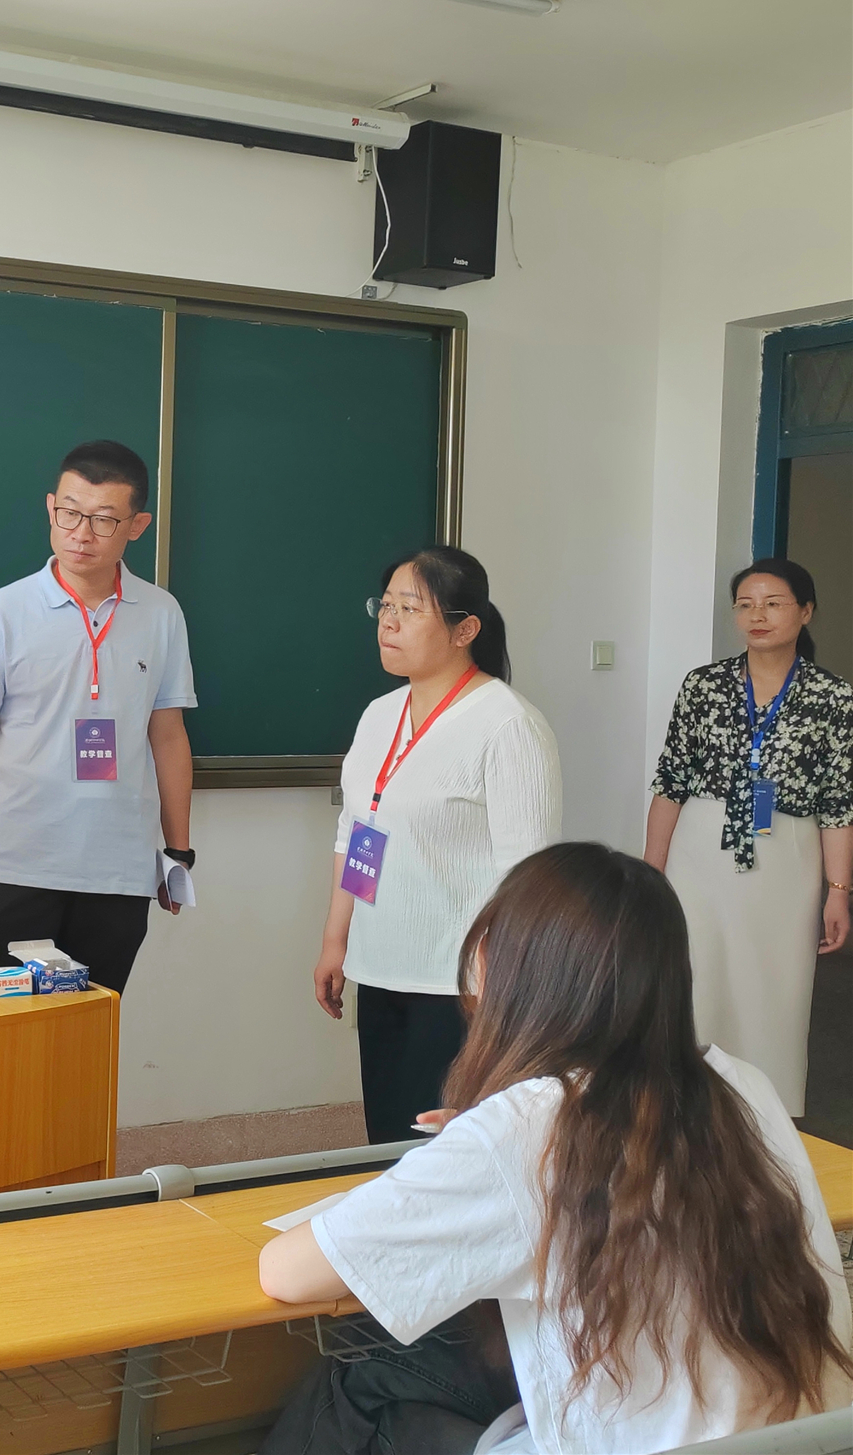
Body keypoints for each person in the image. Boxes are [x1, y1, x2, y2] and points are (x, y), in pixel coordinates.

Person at [260, 843, 853, 1455]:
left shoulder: (524, 1129)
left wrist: (475, 1147)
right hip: (817, 1440)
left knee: (352, 1380)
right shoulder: (741, 1084)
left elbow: (286, 1272)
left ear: (515, 973)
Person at [313, 546, 559, 1144]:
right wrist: (336, 941)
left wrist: (498, 988)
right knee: (386, 1138)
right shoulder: (380, 714)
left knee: (444, 1148)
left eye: (409, 609)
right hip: (379, 965)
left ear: (464, 629)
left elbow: (529, 876)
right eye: (385, 607)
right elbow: (357, 832)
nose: (389, 623)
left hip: (461, 984)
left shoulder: (508, 724)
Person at [0, 440, 195, 994]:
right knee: (4, 1032)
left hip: (118, 870)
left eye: (104, 520)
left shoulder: (162, 614)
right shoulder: (2, 612)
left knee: (91, 1029)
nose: (82, 534)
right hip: (15, 864)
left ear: (137, 525)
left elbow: (169, 737)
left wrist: (177, 852)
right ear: (51, 507)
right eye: (70, 513)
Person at [645, 556, 851, 1116]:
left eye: (773, 603)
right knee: (695, 976)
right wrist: (652, 868)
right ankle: (683, 1105)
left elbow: (838, 804)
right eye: (745, 605)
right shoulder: (704, 685)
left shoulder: (834, 698)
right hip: (700, 848)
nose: (757, 616)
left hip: (788, 853)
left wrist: (838, 892)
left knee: (775, 988)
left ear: (805, 612)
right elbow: (670, 782)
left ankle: (766, 1115)